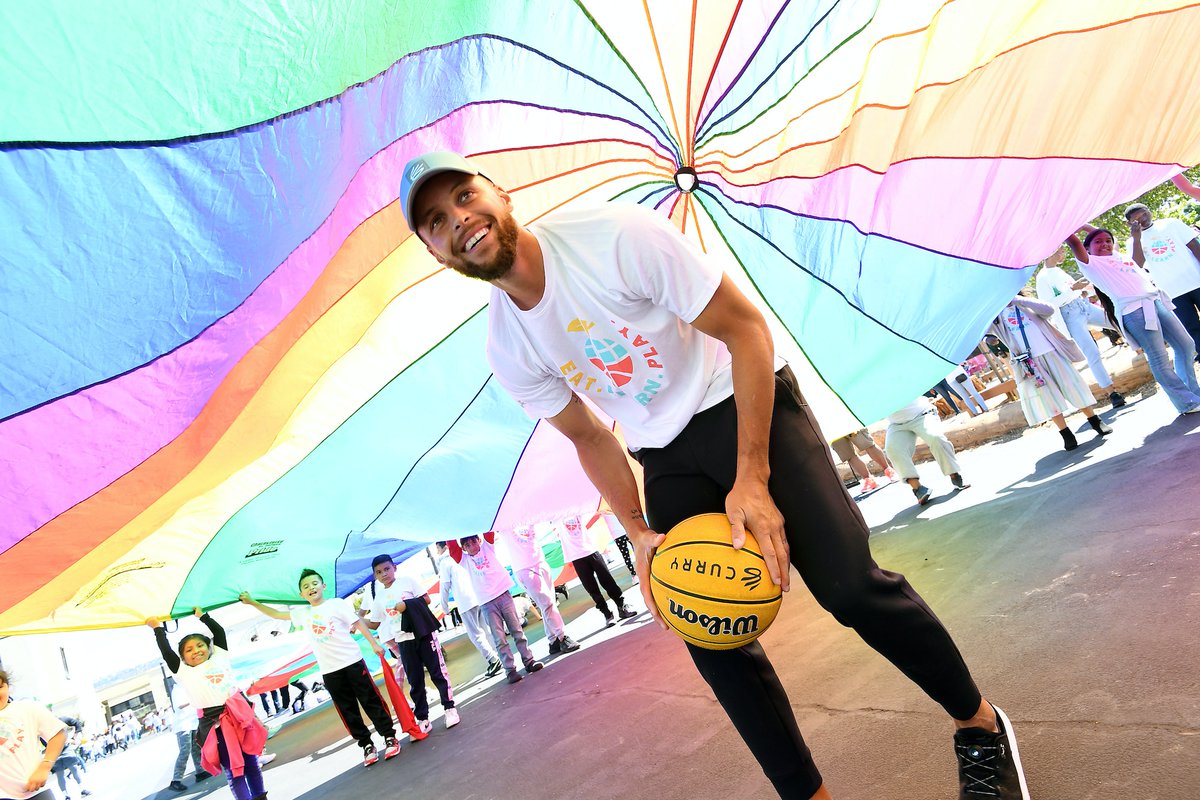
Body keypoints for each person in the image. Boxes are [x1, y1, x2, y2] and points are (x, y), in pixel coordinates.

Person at [401, 151, 1030, 800]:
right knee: (709, 631)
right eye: (438, 222)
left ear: (500, 194)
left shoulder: (615, 236)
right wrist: (639, 532)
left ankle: (980, 728)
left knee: (848, 589)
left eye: (466, 196)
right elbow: (590, 437)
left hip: (743, 396)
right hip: (664, 454)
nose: (461, 220)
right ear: (436, 251)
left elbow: (746, 330)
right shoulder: (507, 346)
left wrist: (751, 478)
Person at [240, 571, 401, 768]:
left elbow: (357, 622)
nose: (311, 588)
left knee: (371, 701)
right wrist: (252, 602)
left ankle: (389, 736)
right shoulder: (302, 613)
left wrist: (374, 644)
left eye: (314, 583)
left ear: (323, 586)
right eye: (306, 586)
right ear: (301, 595)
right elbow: (276, 614)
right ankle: (366, 745)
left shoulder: (336, 604)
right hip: (330, 671)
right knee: (347, 710)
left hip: (352, 662)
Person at [1066, 226, 1200, 414]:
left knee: (1186, 345)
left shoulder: (1118, 256)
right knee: (1159, 357)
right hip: (1134, 311)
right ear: (1088, 248)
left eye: (1108, 241)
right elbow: (1074, 241)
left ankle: (1193, 393)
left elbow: (1102, 232)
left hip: (1154, 301)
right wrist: (1071, 223)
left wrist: (1085, 225)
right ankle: (1187, 402)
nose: (1104, 244)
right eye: (1098, 242)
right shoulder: (1090, 264)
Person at [147, 609, 268, 800]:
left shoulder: (220, 657)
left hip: (240, 718)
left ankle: (261, 797)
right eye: (189, 650)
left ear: (208, 647)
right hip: (215, 725)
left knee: (251, 763)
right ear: (183, 658)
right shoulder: (183, 672)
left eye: (200, 645)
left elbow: (218, 632)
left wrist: (203, 616)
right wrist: (157, 629)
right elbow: (167, 652)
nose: (196, 651)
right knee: (234, 769)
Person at [987, 293, 1113, 451]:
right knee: (1048, 397)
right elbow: (980, 329)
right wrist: (988, 335)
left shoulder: (1026, 304)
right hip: (1029, 364)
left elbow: (1049, 310)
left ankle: (1094, 420)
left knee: (1073, 386)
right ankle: (1066, 433)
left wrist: (1017, 299)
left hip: (1052, 353)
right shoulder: (996, 318)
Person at [365, 555, 459, 732]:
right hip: (403, 641)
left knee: (437, 672)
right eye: (379, 572)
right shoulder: (379, 597)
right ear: (375, 576)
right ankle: (423, 718)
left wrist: (406, 605)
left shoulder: (407, 581)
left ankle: (449, 708)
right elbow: (375, 623)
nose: (384, 574)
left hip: (423, 634)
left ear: (394, 568)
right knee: (415, 681)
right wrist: (357, 621)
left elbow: (427, 599)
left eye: (387, 569)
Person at [447, 534, 544, 684]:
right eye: (467, 545)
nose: (472, 546)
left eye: (474, 541)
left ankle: (529, 661)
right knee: (499, 638)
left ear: (479, 540)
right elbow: (453, 549)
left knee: (517, 630)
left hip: (503, 594)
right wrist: (450, 530)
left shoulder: (487, 547)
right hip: (487, 602)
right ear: (464, 548)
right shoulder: (465, 561)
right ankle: (510, 670)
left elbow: (488, 531)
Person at [1035, 255, 1126, 407]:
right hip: (1070, 315)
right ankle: (1112, 392)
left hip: (1084, 306)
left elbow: (1072, 292)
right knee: (1092, 352)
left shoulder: (1058, 270)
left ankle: (1147, 351)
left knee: (1120, 323)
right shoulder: (1042, 278)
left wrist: (1080, 292)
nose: (1063, 253)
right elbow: (1048, 305)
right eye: (1060, 249)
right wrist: (1073, 289)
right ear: (1051, 252)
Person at [1123, 202, 1200, 357]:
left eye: (1144, 213)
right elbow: (1137, 265)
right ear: (1129, 223)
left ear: (1149, 210)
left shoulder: (1171, 224)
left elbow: (1195, 245)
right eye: (1136, 219)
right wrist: (1137, 239)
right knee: (1192, 327)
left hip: (1196, 280)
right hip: (1172, 292)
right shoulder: (1132, 242)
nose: (1143, 219)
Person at [494, 525, 581, 655]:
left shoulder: (527, 517)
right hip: (525, 569)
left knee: (548, 604)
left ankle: (553, 641)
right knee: (547, 603)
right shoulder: (504, 523)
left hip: (541, 563)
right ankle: (562, 637)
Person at [883, 396, 972, 505]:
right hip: (896, 423)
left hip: (922, 413)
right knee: (892, 449)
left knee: (935, 438)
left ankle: (954, 474)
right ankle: (918, 489)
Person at [557, 514, 637, 627]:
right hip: (576, 557)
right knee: (591, 588)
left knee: (607, 580)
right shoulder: (556, 517)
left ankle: (622, 606)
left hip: (591, 551)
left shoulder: (576, 509)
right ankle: (607, 613)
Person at [435, 541, 501, 675]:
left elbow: (444, 587)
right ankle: (498, 655)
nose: (437, 552)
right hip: (478, 596)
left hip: (465, 601)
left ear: (444, 547)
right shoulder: (463, 555)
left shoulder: (444, 562)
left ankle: (492, 659)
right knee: (486, 630)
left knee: (475, 634)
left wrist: (445, 607)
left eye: (437, 548)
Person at [0, 670, 66, 800]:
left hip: (36, 791)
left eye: (0, 687)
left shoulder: (26, 708)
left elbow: (58, 733)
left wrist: (45, 766)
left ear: (8, 687)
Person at [167, 683, 210, 792]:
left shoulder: (186, 687)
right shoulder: (177, 689)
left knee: (196, 748)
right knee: (185, 752)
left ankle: (200, 771)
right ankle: (176, 781)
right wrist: (193, 700)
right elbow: (180, 705)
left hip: (192, 722)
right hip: (183, 725)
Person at [830, 427, 898, 494]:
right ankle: (869, 480)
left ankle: (889, 470)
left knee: (867, 444)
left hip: (847, 421)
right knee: (849, 455)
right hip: (829, 428)